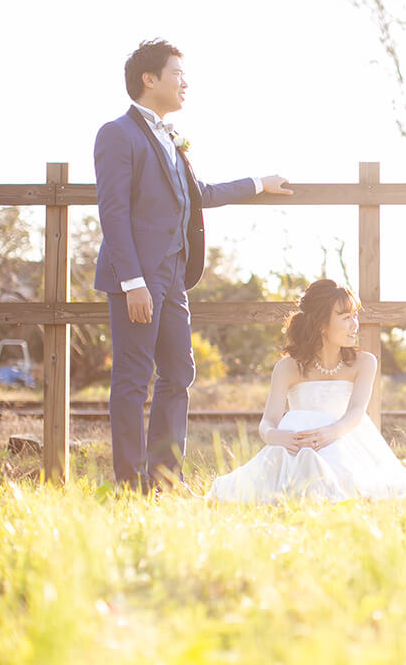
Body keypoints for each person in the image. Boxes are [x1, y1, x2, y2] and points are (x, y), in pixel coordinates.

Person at [94, 38, 293, 491]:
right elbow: (114, 213)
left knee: (179, 372)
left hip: (174, 276)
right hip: (138, 279)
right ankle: (129, 483)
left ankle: (163, 479)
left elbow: (197, 193)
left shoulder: (170, 137)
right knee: (131, 378)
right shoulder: (116, 134)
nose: (186, 82)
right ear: (150, 79)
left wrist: (259, 183)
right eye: (178, 73)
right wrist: (132, 282)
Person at [208, 279, 406, 502]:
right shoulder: (287, 368)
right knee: (297, 420)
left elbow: (356, 411)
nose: (355, 325)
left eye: (355, 316)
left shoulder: (364, 362)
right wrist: (275, 436)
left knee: (342, 474)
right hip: (296, 444)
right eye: (345, 317)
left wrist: (331, 433)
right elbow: (268, 421)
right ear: (321, 324)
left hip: (343, 437)